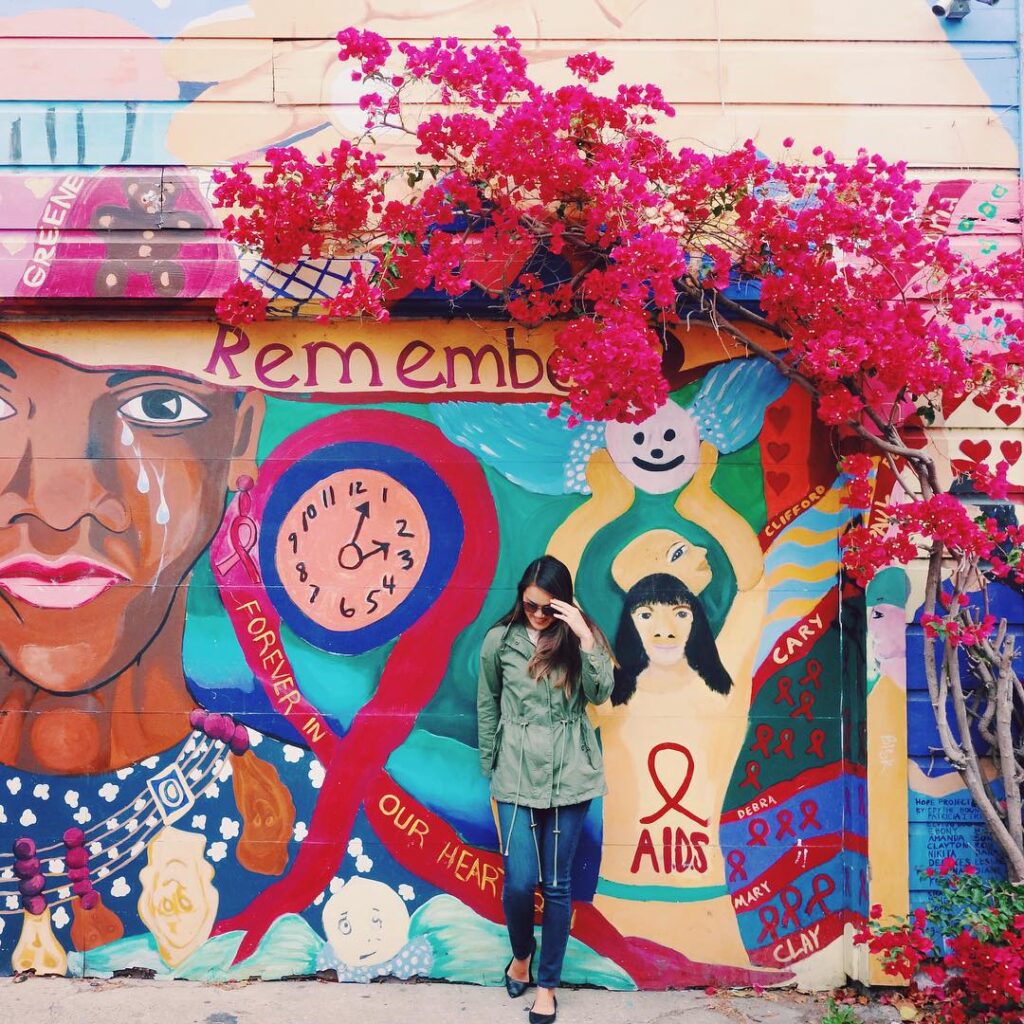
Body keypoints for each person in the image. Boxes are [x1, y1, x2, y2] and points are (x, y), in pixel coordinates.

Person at [477, 555, 613, 1024]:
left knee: (557, 887)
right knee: (518, 882)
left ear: (563, 604)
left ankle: (548, 986)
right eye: (530, 605)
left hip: (570, 775)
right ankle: (521, 954)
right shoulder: (500, 642)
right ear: (521, 596)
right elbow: (488, 704)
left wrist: (584, 635)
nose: (537, 615)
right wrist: (490, 765)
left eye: (547, 608)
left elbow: (601, 693)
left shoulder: (578, 641)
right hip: (515, 772)